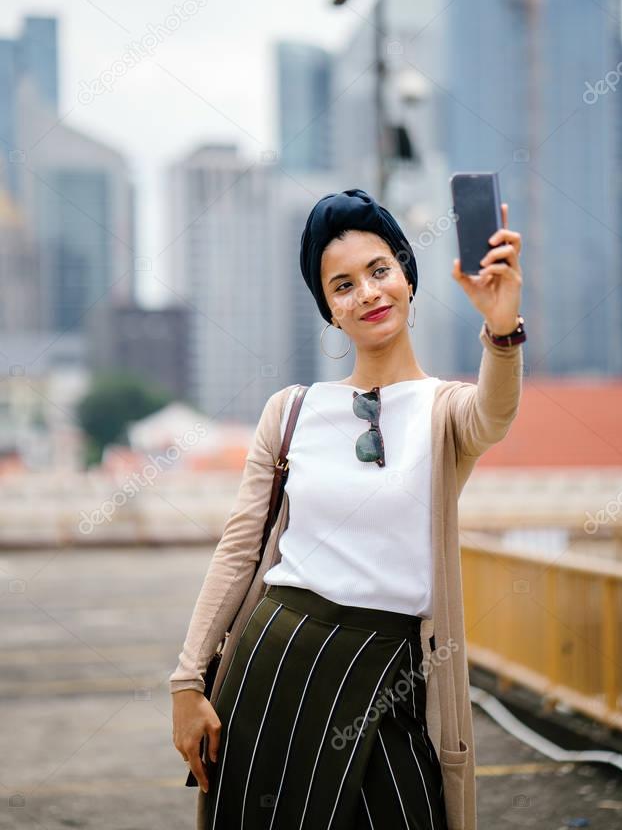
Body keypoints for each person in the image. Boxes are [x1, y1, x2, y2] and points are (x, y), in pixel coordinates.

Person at [170, 187, 524, 829]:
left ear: (408, 278)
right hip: (279, 664)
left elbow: (495, 415)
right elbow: (239, 549)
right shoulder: (291, 411)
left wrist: (502, 329)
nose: (366, 293)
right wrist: (187, 683)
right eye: (342, 285)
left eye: (379, 270)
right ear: (329, 310)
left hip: (392, 669)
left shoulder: (445, 409)